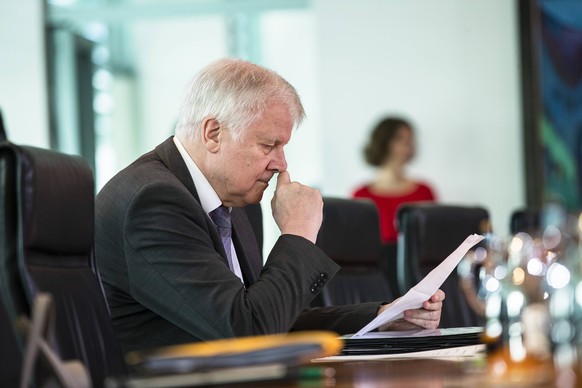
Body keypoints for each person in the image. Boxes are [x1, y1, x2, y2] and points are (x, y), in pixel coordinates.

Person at [95, 58, 444, 353]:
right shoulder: (153, 201)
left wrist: (381, 318)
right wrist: (298, 235)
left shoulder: (236, 202)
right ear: (213, 133)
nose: (281, 164)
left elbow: (270, 317)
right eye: (268, 145)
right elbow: (249, 330)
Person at [353, 117, 436, 243]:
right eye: (400, 139)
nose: (408, 145)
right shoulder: (361, 196)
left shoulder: (424, 191)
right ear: (383, 142)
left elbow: (433, 237)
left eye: (410, 140)